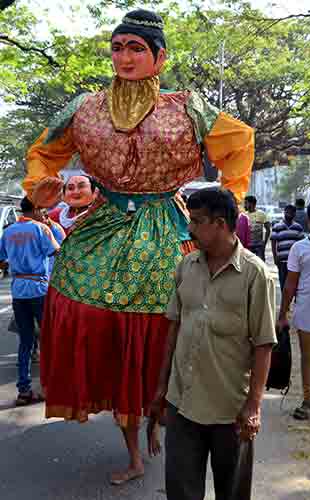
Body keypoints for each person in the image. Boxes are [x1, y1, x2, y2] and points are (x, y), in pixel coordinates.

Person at [23, 9, 254, 483]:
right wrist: (42, 184)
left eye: (136, 48)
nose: (124, 57)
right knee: (80, 301)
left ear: (159, 57)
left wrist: (230, 198)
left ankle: (181, 418)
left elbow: (239, 141)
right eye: (117, 47)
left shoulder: (187, 106)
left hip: (168, 222)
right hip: (104, 221)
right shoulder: (85, 105)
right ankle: (133, 443)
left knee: (190, 315)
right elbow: (44, 151)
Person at [148, 189, 276, 500]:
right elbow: (174, 327)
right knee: (180, 492)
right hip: (183, 403)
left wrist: (254, 406)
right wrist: (161, 387)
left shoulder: (255, 275)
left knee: (231, 493)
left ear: (219, 223)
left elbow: (263, 345)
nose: (189, 228)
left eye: (196, 221)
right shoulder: (186, 266)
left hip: (230, 411)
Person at [0, 197, 60, 405]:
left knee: (25, 342)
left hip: (18, 291)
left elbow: (2, 259)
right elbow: (56, 251)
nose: (42, 214)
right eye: (41, 210)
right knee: (47, 339)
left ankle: (23, 390)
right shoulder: (41, 229)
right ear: (35, 209)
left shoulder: (7, 232)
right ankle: (48, 387)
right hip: (39, 290)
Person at [278, 198, 310, 420]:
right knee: (307, 361)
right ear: (309, 222)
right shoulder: (298, 248)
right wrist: (282, 314)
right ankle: (309, 403)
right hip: (306, 315)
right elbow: (290, 284)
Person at [271, 204, 304, 290]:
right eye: (288, 212)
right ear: (284, 212)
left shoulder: (298, 227)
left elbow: (301, 244)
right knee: (283, 284)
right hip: (282, 261)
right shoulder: (277, 226)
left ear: (294, 214)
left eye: (292, 212)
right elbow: (273, 242)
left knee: (295, 284)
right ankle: (284, 302)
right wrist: (275, 257)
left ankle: (294, 302)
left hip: (295, 261)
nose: (289, 214)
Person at [244, 195, 271, 260]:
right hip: (248, 246)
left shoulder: (261, 214)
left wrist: (264, 243)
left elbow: (268, 229)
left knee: (260, 265)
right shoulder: (244, 215)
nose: (244, 205)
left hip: (259, 246)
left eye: (246, 203)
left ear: (252, 204)